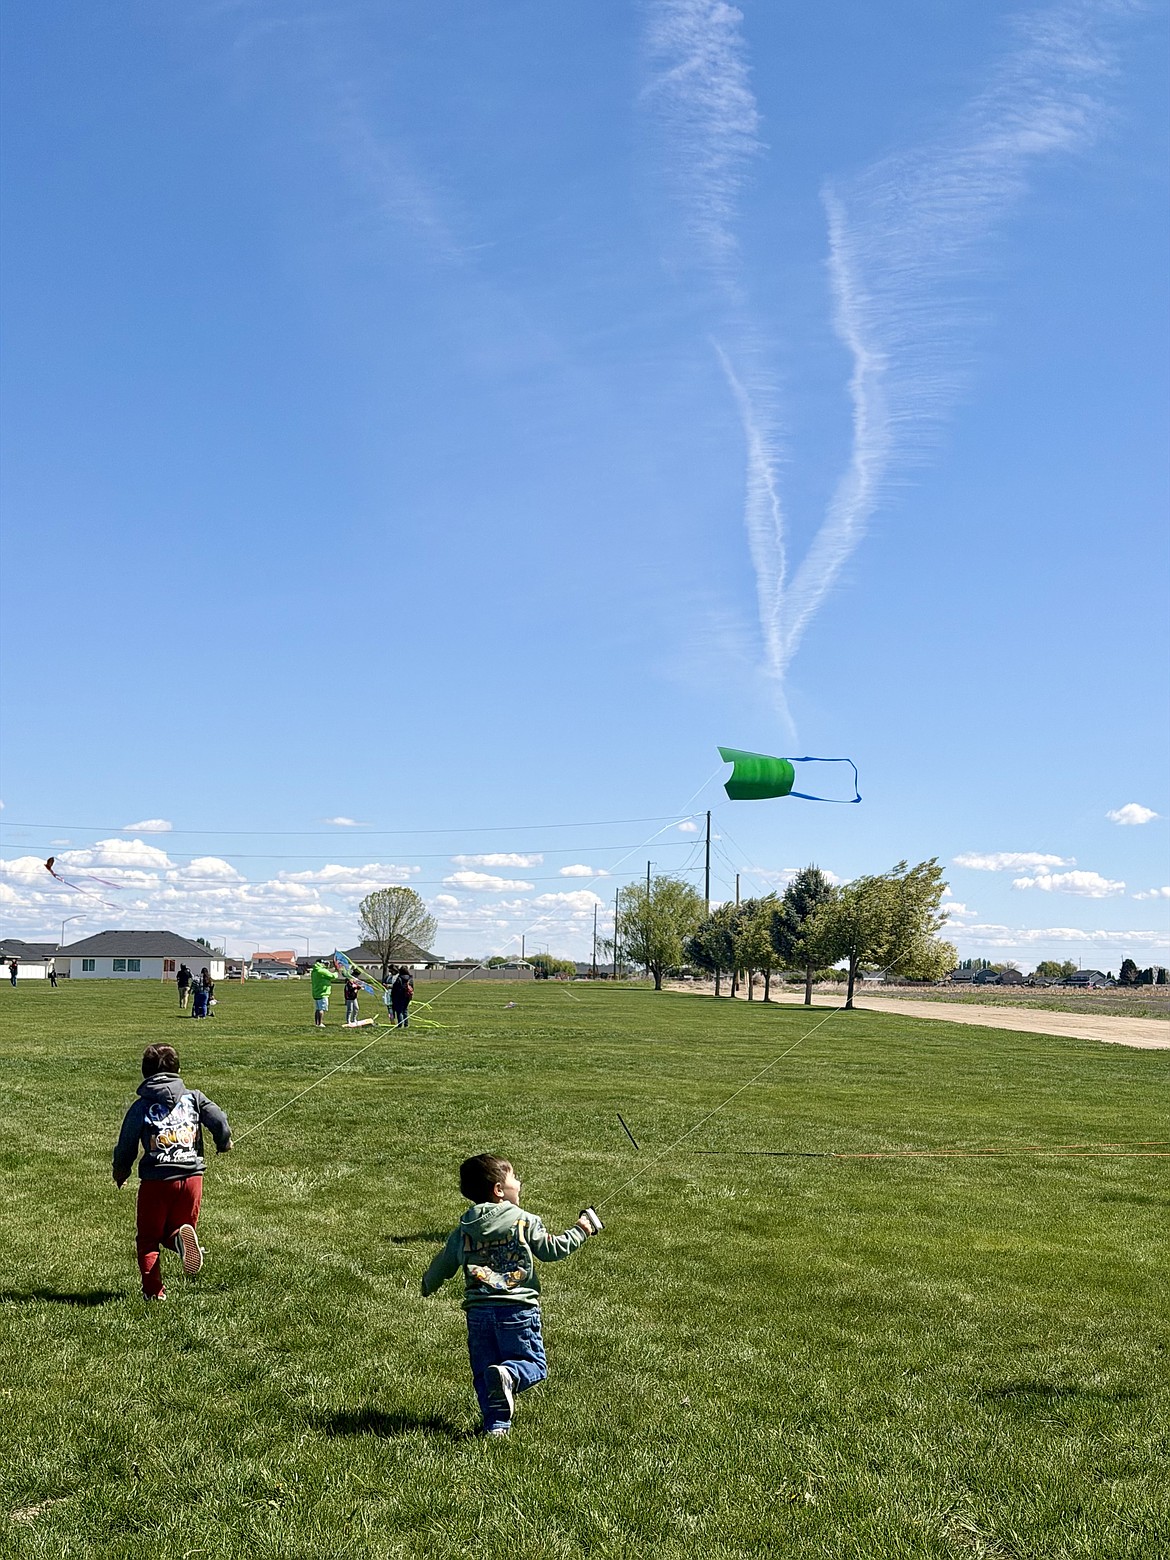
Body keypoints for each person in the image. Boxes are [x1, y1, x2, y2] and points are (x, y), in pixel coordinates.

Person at [421, 1154, 603, 1436]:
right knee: (533, 1365)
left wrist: (427, 1284)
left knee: (485, 1374)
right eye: (514, 1178)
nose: (519, 1182)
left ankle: (496, 1426)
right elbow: (551, 1249)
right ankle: (511, 1375)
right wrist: (581, 1230)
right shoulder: (524, 1220)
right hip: (518, 1312)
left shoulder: (464, 1230)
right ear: (498, 1190)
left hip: (478, 1315)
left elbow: (443, 1263)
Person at [112, 1043, 232, 1301]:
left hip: (157, 1181)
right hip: (192, 1179)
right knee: (177, 1226)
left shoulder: (141, 1106)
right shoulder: (194, 1097)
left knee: (147, 1239)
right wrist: (224, 1143)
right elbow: (219, 1120)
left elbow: (126, 1144)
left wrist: (121, 1171)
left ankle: (154, 1293)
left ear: (145, 1073)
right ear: (178, 1070)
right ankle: (180, 1239)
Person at [310, 958, 343, 1027]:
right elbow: (332, 976)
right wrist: (337, 972)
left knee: (317, 1009)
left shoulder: (315, 971)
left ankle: (317, 1023)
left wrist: (333, 969)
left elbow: (327, 973)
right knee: (322, 1009)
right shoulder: (322, 971)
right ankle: (320, 1023)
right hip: (323, 992)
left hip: (316, 992)